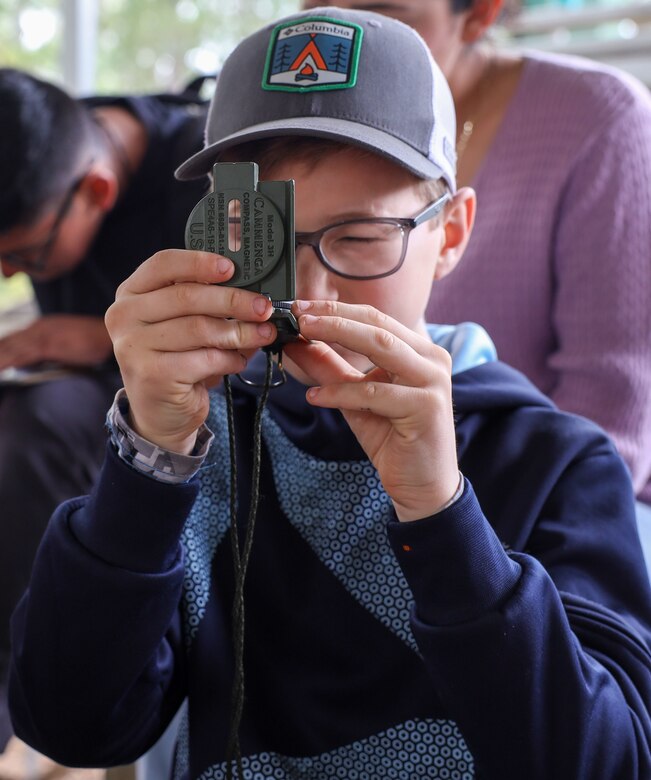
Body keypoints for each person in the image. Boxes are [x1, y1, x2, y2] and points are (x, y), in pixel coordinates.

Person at [8, 8, 651, 779]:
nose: (305, 295)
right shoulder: (198, 454)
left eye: (357, 240)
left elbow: (606, 760)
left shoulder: (554, 462)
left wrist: (442, 512)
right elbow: (73, 727)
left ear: (450, 236)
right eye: (261, 242)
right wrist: (144, 463)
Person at [301, 0, 651, 510]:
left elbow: (613, 425)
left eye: (381, 12)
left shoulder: (603, 122)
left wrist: (439, 512)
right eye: (317, 13)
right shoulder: (289, 140)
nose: (343, 41)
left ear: (481, 12)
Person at [0, 68, 209, 750]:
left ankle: (24, 693)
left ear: (98, 190)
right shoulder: (37, 146)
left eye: (24, 255)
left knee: (32, 435)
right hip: (62, 401)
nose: (11, 274)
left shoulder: (210, 180)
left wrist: (103, 341)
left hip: (173, 430)